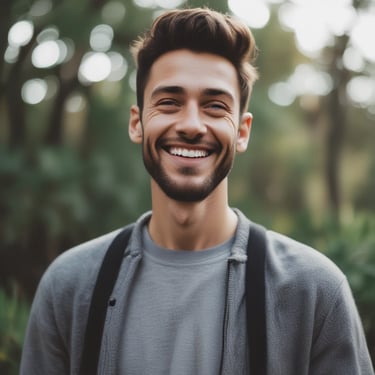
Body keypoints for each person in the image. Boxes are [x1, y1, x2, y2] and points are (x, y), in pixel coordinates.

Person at [20, 7, 374, 375]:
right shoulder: (69, 287)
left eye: (215, 106)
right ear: (137, 123)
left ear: (242, 131)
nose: (191, 125)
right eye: (169, 102)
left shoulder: (315, 292)